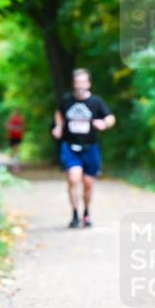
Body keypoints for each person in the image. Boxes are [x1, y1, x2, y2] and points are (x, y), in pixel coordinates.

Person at [52, 68, 115, 228]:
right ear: (74, 84)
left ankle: (86, 212)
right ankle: (74, 214)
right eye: (77, 82)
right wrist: (59, 127)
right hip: (70, 146)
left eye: (83, 82)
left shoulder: (96, 102)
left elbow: (110, 117)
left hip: (90, 147)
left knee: (88, 183)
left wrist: (104, 123)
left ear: (89, 84)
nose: (80, 85)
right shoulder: (66, 100)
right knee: (73, 179)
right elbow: (59, 113)